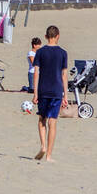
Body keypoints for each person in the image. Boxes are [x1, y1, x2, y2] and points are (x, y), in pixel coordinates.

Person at [31, 24, 69, 162]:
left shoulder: (40, 52)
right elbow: (64, 75)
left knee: (42, 119)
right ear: (58, 36)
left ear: (46, 36)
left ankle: (43, 146)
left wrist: (35, 93)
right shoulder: (63, 53)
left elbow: (36, 73)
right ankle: (49, 156)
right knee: (53, 122)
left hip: (43, 89)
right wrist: (66, 95)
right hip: (56, 90)